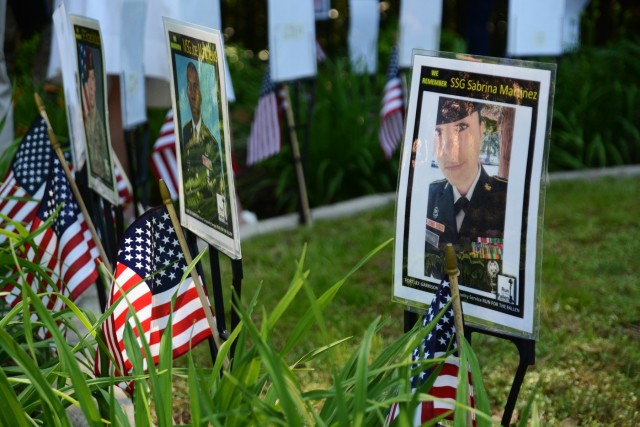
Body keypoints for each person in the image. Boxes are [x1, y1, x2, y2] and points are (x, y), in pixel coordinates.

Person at [424, 97, 507, 293]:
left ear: (481, 129)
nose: (450, 150)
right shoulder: (426, 197)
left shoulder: (508, 200)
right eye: (438, 132)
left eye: (461, 127)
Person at [181, 61, 228, 229]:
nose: (192, 94)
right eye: (189, 87)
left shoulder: (212, 143)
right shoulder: (184, 133)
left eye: (196, 88)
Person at [82, 47, 111, 185]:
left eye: (94, 79)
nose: (92, 86)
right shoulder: (83, 120)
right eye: (89, 79)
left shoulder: (100, 124)